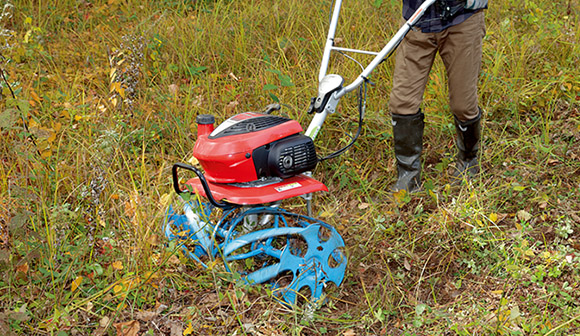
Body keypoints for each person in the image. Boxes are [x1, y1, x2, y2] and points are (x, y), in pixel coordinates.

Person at [389, 0, 487, 192]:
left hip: (462, 19)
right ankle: (407, 177)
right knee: (402, 102)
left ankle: (469, 161)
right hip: (416, 21)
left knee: (463, 104)